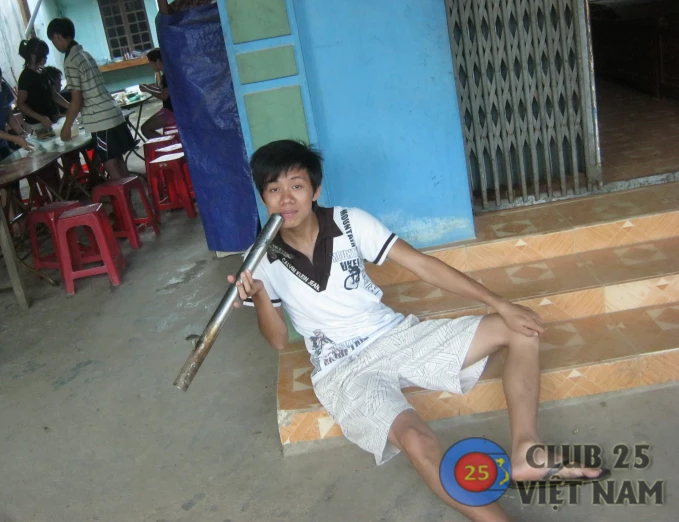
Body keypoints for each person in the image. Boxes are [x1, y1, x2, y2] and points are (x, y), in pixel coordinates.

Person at [230, 140, 608, 522]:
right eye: (274, 189)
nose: (286, 198)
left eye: (296, 185)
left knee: (520, 328)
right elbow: (278, 339)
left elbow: (422, 265)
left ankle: (528, 451)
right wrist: (259, 295)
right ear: (263, 197)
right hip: (341, 367)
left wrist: (499, 304)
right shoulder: (260, 257)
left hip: (395, 336)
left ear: (315, 189)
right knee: (415, 438)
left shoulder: (349, 221)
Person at [46, 17, 131, 179]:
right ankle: (132, 193)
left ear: (57, 36)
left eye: (53, 41)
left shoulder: (71, 61)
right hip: (112, 111)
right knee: (118, 160)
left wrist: (66, 127)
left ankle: (124, 199)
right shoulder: (85, 54)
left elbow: (77, 100)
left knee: (110, 163)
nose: (55, 46)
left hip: (100, 119)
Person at [17, 38, 69, 130]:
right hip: (36, 124)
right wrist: (40, 118)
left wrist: (71, 106)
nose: (45, 58)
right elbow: (21, 104)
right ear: (32, 55)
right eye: (42, 55)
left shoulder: (44, 72)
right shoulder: (25, 77)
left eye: (45, 55)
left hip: (50, 121)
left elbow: (54, 95)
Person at [138, 48, 176, 139]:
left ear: (158, 61)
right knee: (145, 127)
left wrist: (147, 89)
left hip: (173, 112)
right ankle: (167, 143)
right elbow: (162, 90)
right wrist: (148, 87)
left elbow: (164, 95)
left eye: (151, 63)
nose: (151, 67)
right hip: (168, 109)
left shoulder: (167, 76)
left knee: (145, 129)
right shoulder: (167, 73)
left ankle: (168, 145)